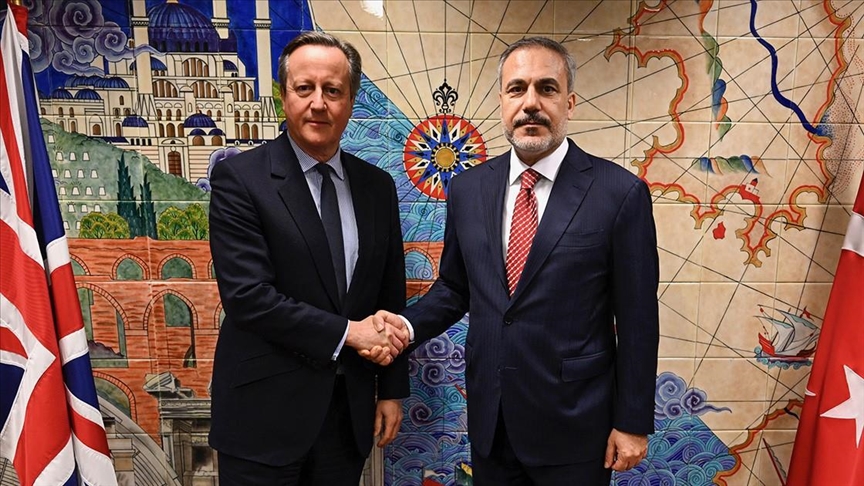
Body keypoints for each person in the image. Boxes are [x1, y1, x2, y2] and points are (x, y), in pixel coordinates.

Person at [367, 36, 660, 485]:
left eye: (547, 88)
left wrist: (633, 422)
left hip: (577, 426)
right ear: (502, 101)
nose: (531, 103)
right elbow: (455, 288)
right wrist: (405, 327)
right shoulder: (468, 190)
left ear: (569, 102)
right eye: (517, 88)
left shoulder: (619, 193)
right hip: (493, 422)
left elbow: (638, 318)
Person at [208, 31, 410, 486]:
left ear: (350, 102)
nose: (319, 103)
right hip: (262, 419)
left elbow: (389, 296)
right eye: (305, 88)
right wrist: (350, 333)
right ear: (284, 97)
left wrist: (392, 390)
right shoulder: (240, 179)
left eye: (333, 90)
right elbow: (248, 297)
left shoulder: (377, 187)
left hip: (346, 418)